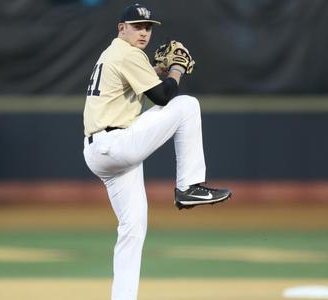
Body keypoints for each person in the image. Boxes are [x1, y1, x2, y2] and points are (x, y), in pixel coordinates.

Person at [82, 3, 232, 300]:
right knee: (187, 105)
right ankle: (189, 187)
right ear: (121, 28)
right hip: (116, 145)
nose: (144, 32)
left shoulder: (114, 54)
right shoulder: (127, 53)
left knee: (133, 229)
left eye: (148, 27)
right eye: (137, 26)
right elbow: (163, 96)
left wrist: (159, 69)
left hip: (104, 152)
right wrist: (175, 70)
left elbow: (140, 84)